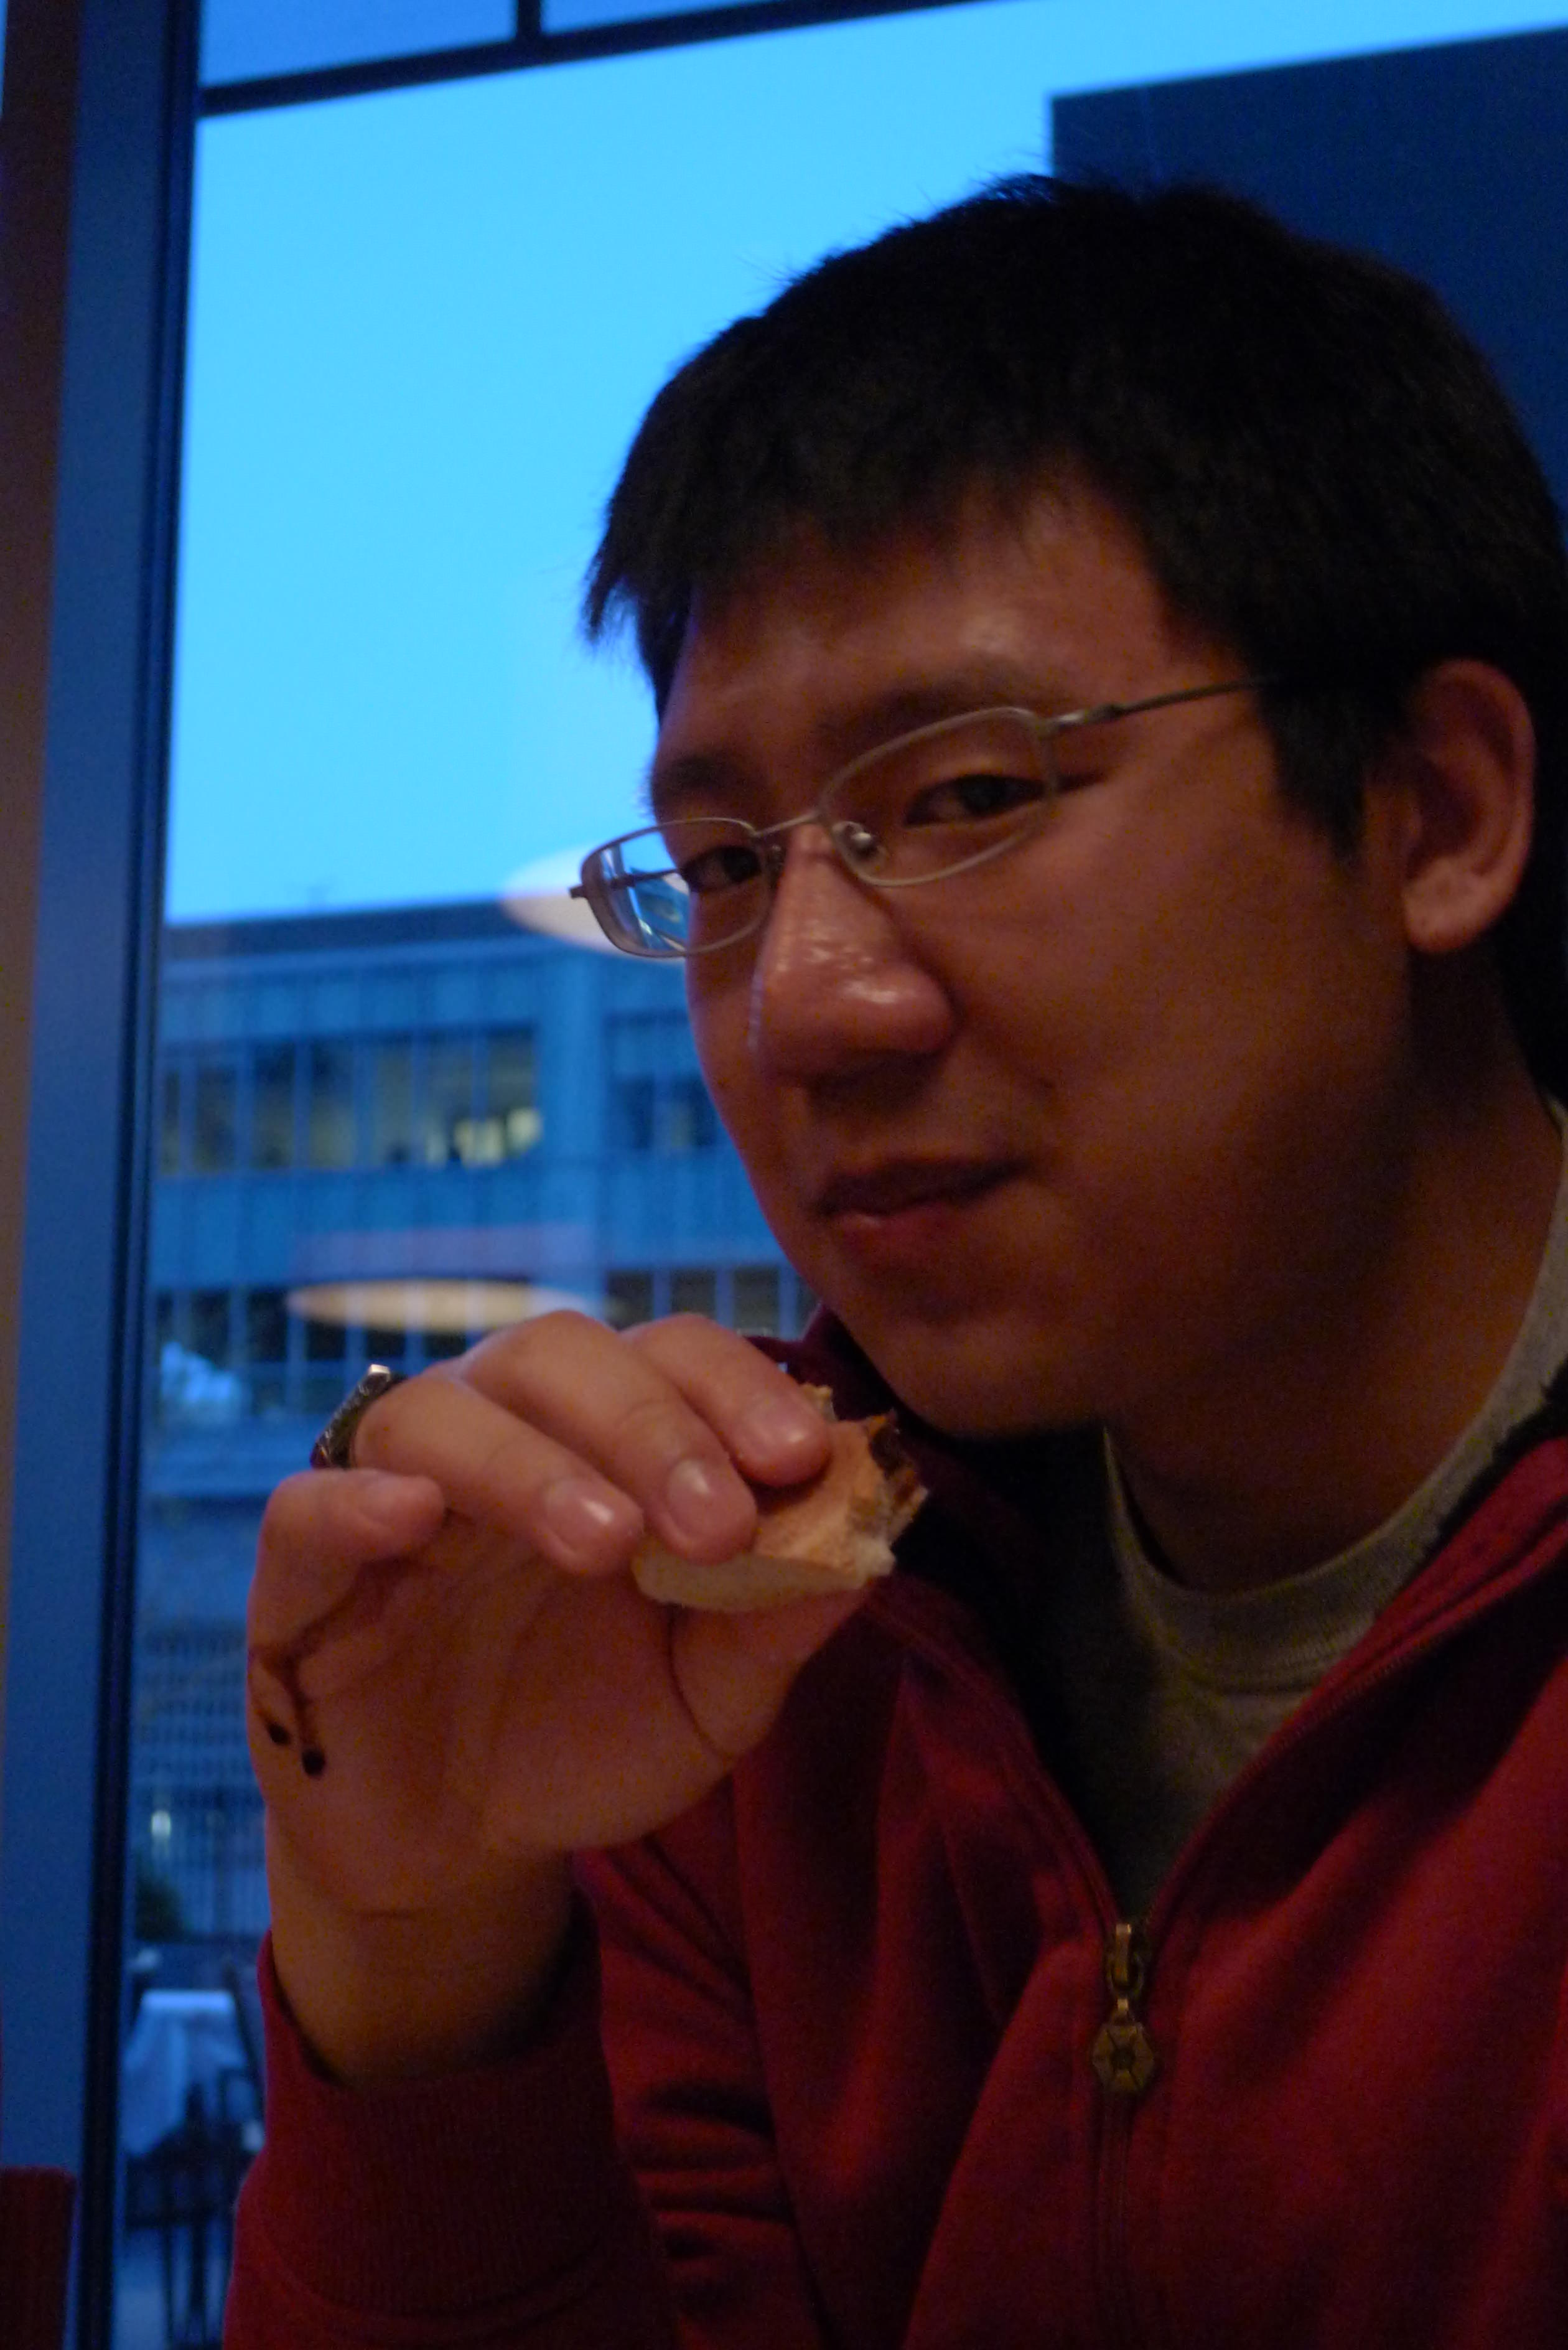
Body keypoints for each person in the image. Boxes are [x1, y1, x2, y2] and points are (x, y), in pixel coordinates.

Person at [225, 179, 1568, 2347]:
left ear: (1437, 811)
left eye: (965, 799)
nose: (805, 1009)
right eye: (726, 867)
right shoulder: (740, 1651)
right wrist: (417, 1935)